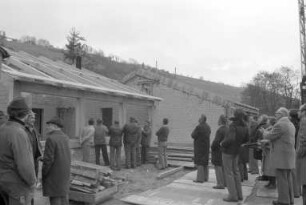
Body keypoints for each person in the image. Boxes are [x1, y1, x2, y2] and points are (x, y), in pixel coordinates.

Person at [0, 97, 36, 205]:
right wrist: (32, 182)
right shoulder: (19, 133)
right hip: (17, 185)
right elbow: (25, 165)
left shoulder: (2, 128)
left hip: (3, 181)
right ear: (25, 115)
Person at [263, 107, 296, 205]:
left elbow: (270, 136)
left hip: (282, 157)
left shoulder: (280, 124)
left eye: (276, 113)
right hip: (288, 156)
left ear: (281, 114)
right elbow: (281, 138)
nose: (275, 115)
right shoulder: (290, 124)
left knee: (281, 179)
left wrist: (264, 132)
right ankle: (290, 200)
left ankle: (283, 201)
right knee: (287, 178)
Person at [221, 109, 249, 202]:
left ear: (235, 115)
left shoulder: (233, 125)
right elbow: (246, 139)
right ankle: (239, 195)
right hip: (237, 151)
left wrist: (222, 143)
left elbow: (230, 138)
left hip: (228, 151)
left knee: (229, 173)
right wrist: (238, 143)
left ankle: (232, 196)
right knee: (236, 172)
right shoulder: (245, 126)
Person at [42, 117, 71, 205]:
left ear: (54, 126)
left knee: (55, 199)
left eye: (49, 125)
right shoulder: (65, 137)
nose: (47, 127)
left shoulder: (51, 138)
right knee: (64, 198)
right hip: (64, 173)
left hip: (54, 175)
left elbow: (48, 160)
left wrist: (44, 173)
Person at [192, 114, 211, 183]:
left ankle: (200, 179)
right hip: (206, 146)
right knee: (205, 162)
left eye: (200, 118)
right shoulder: (208, 127)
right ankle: (205, 177)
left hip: (199, 146)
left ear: (202, 119)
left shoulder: (199, 127)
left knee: (200, 162)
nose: (199, 119)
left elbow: (193, 135)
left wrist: (197, 125)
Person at [211, 114, 228, 189]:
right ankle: (225, 183)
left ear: (220, 121)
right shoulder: (228, 129)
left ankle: (220, 183)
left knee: (218, 167)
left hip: (218, 151)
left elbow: (216, 141)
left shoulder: (220, 130)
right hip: (225, 151)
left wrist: (212, 147)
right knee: (224, 167)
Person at [25, 111, 42, 177]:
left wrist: (40, 154)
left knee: (35, 177)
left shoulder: (34, 129)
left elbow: (38, 142)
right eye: (32, 118)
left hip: (35, 159)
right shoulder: (22, 130)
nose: (34, 120)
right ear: (26, 118)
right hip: (27, 160)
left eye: (34, 118)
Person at [261, 117, 277, 189]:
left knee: (271, 168)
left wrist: (264, 132)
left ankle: (273, 183)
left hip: (270, 150)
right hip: (267, 150)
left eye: (268, 121)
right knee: (267, 168)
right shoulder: (269, 128)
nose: (267, 122)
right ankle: (270, 182)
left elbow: (270, 138)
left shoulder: (273, 129)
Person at [289, 109, 301, 198]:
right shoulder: (299, 124)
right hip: (297, 149)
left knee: (293, 172)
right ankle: (298, 192)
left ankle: (296, 192)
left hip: (294, 149)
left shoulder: (292, 125)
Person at [296, 104, 306, 205]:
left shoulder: (304, 120)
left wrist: (298, 154)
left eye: (299, 110)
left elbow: (303, 141)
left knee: (305, 184)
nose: (298, 113)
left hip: (304, 158)